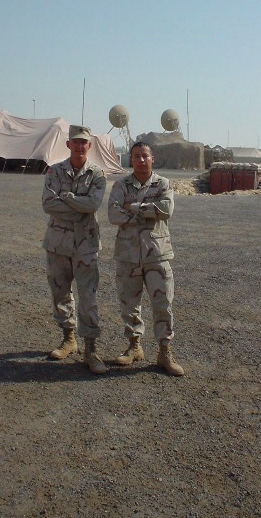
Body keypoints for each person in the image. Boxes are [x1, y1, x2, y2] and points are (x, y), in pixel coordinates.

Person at [108, 141, 184, 376]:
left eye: (145, 156)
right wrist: (148, 212)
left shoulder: (163, 184)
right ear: (131, 160)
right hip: (128, 255)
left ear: (152, 159)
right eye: (136, 156)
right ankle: (134, 346)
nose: (141, 160)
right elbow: (113, 214)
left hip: (157, 254)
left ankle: (164, 352)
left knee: (163, 304)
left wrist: (133, 207)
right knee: (129, 304)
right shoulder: (121, 185)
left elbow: (166, 210)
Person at [42, 125, 108, 375]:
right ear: (68, 144)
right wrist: (79, 208)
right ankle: (68, 339)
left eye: (84, 142)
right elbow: (48, 204)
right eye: (75, 142)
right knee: (60, 293)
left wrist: (67, 197)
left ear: (89, 145)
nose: (80, 146)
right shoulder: (55, 171)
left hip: (86, 246)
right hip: (58, 244)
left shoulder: (97, 173)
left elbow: (93, 205)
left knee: (88, 297)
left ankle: (91, 349)